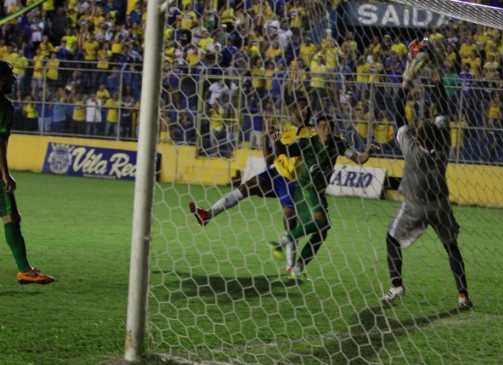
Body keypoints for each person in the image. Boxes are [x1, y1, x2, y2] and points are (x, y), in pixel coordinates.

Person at [380, 78, 471, 309]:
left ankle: (397, 285)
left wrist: (404, 88)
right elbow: (442, 110)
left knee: (392, 239)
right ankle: (463, 295)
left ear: (418, 138)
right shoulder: (443, 147)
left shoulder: (411, 150)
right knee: (451, 246)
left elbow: (398, 116)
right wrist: (437, 84)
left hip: (415, 206)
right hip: (441, 205)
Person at [268, 114, 376, 280]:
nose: (327, 130)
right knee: (322, 222)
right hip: (305, 188)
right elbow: (283, 151)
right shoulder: (306, 143)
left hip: (318, 191)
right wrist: (275, 139)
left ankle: (298, 267)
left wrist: (367, 151)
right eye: (323, 126)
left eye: (330, 126)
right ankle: (282, 242)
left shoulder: (338, 143)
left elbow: (359, 159)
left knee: (323, 231)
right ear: (316, 129)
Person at [189, 97, 315, 234]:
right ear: (293, 112)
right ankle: (207, 215)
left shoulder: (314, 133)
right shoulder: (284, 132)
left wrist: (277, 141)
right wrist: (267, 135)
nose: (306, 110)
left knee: (289, 218)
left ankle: (290, 252)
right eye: (302, 107)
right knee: (245, 187)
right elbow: (268, 160)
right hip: (275, 174)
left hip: (293, 181)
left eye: (308, 108)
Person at [0, 60, 54, 285]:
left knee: (11, 215)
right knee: (11, 216)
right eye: (10, 76)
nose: (14, 80)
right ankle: (25, 271)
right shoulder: (3, 104)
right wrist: (5, 173)